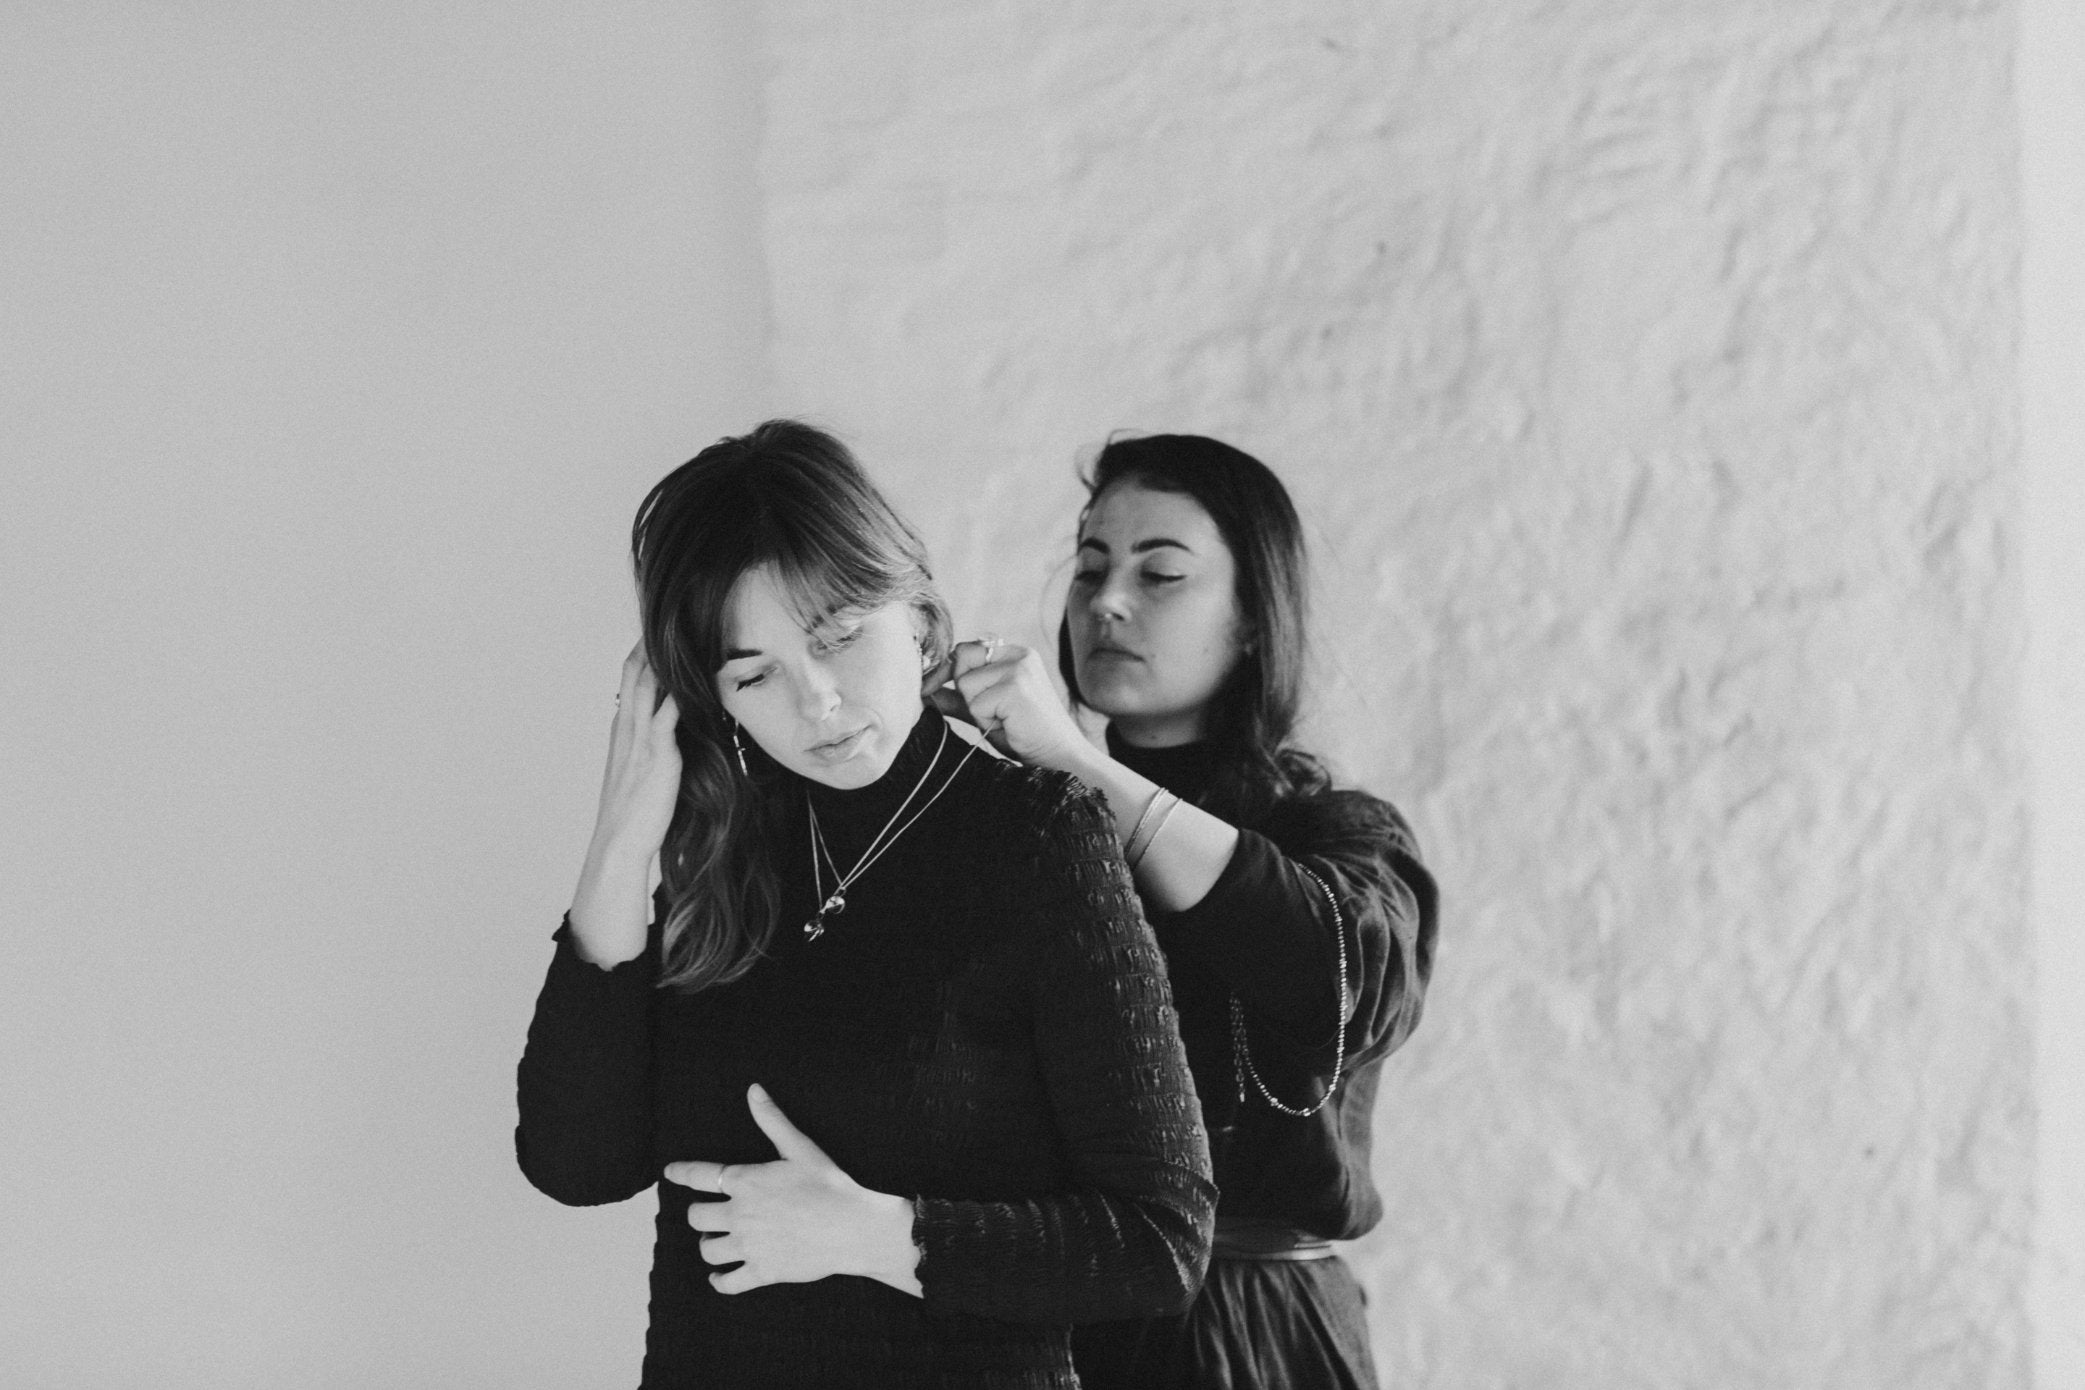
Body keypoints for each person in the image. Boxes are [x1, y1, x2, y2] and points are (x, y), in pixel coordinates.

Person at [515, 420, 1215, 1390]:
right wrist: (618, 846)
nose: (818, 703)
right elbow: (575, 1165)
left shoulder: (1037, 838)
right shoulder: (724, 847)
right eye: (754, 672)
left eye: (838, 637)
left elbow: (1161, 1242)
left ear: (918, 619)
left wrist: (882, 1237)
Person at [930, 433, 1438, 1390]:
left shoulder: (1335, 832)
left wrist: (1074, 763)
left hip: (1250, 1335)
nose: (1105, 602)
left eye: (1160, 574)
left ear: (1251, 621)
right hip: (1047, 1320)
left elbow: (1348, 982)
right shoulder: (1023, 828)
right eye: (1089, 567)